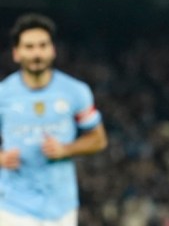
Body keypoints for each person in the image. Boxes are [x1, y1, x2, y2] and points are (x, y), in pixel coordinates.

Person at [0, 13, 108, 226]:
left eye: (42, 45)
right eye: (29, 47)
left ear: (52, 50)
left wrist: (66, 150)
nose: (37, 53)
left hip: (61, 209)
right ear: (16, 53)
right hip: (13, 207)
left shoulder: (75, 91)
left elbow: (99, 139)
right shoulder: (3, 94)